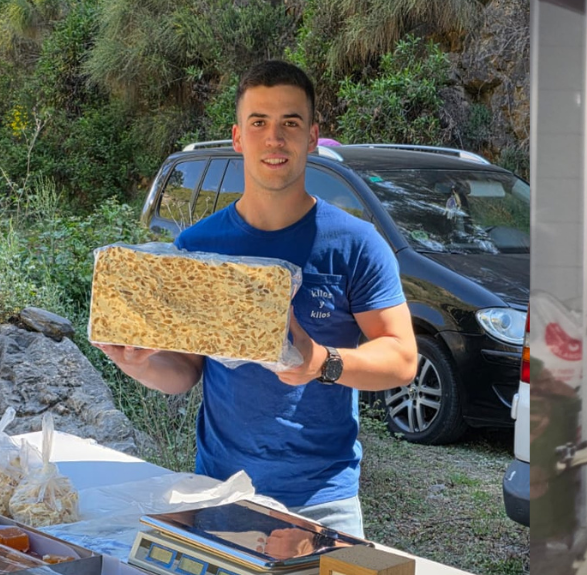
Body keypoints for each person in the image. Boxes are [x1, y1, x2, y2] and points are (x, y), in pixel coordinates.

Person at [95, 60, 418, 537]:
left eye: (291, 123)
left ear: (312, 137)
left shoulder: (356, 244)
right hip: (219, 492)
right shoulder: (198, 247)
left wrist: (321, 362)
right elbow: (186, 371)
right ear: (237, 137)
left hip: (324, 500)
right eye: (259, 122)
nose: (275, 138)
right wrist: (137, 362)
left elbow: (402, 359)